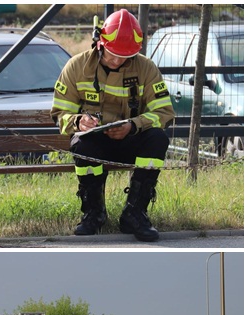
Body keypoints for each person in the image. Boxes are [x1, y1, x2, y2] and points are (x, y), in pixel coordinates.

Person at [50, 9, 174, 242]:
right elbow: (59, 114)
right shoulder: (77, 67)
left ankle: (135, 214)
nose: (117, 60)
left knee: (157, 138)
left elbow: (164, 112)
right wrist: (79, 122)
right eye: (113, 54)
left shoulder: (145, 68)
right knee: (81, 144)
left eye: (125, 56)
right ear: (99, 43)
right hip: (95, 144)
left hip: (132, 141)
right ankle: (93, 213)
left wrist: (134, 125)